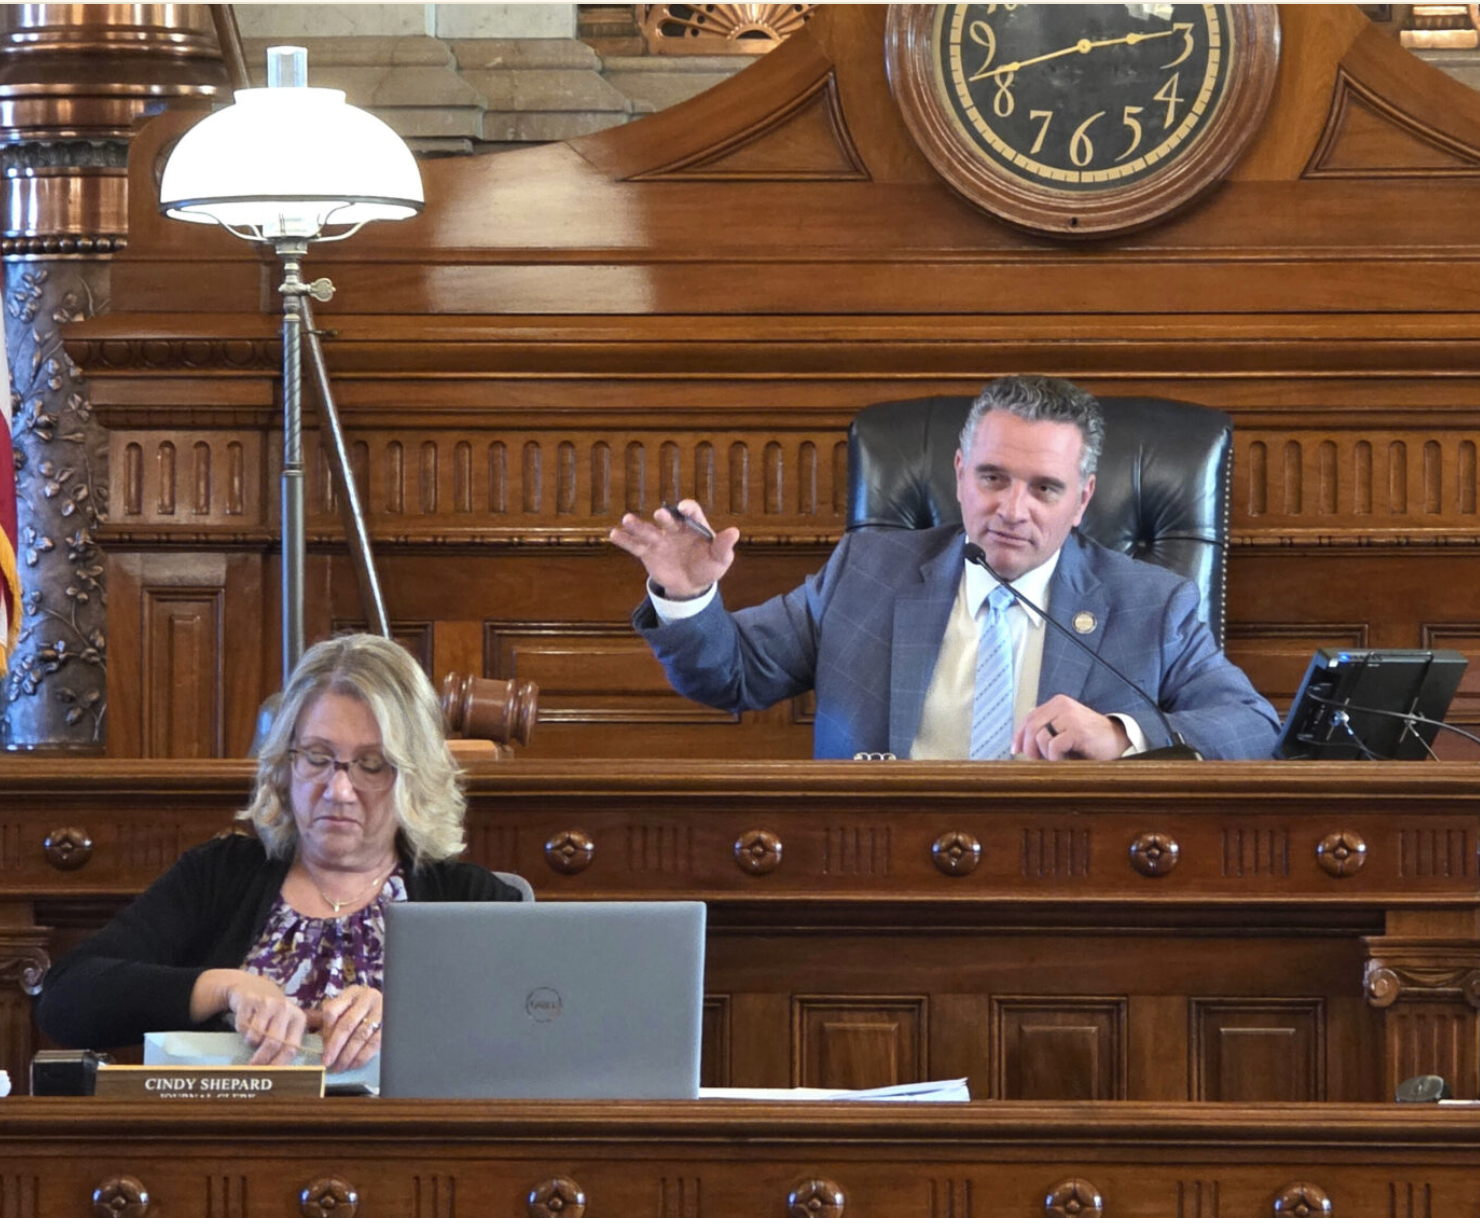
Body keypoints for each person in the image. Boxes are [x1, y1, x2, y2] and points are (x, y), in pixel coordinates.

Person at [611, 375, 1279, 760]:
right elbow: (731, 674)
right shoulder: (869, 570)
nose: (1012, 509)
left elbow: (1252, 726)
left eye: (1044, 488)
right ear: (959, 475)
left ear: (1082, 500)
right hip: (874, 878)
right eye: (992, 477)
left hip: (1069, 885)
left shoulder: (1152, 603)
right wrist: (688, 594)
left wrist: (1121, 734)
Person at [35, 634, 522, 1072]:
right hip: (237, 1155)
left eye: (371, 765)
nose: (338, 789)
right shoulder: (220, 875)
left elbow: (535, 1034)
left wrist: (411, 1015)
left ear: (412, 776)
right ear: (284, 764)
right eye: (316, 757)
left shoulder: (472, 900)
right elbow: (66, 999)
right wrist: (222, 988)